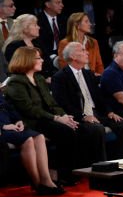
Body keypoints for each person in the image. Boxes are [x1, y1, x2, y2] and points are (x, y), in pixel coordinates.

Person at [5, 46, 104, 184]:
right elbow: (30, 110)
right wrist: (57, 118)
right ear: (26, 60)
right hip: (32, 121)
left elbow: (52, 103)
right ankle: (64, 175)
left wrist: (64, 116)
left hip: (46, 119)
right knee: (65, 131)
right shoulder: (16, 81)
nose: (42, 60)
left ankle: (81, 169)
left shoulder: (38, 78)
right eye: (38, 58)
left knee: (75, 127)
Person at [51, 41, 123, 161]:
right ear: (73, 57)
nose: (87, 53)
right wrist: (83, 116)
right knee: (97, 129)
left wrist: (109, 112)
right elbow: (62, 103)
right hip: (79, 116)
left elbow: (100, 97)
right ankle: (101, 169)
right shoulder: (60, 77)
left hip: (97, 113)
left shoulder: (88, 74)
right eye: (82, 50)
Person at [0, 87, 64, 195]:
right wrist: (3, 126)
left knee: (39, 137)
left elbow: (9, 107)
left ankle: (45, 179)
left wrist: (18, 120)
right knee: (28, 140)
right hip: (3, 129)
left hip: (12, 125)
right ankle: (37, 183)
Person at [5, 14, 57, 79]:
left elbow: (48, 64)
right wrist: (43, 79)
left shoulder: (38, 43)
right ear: (25, 28)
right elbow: (20, 70)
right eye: (35, 25)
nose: (39, 27)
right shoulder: (14, 47)